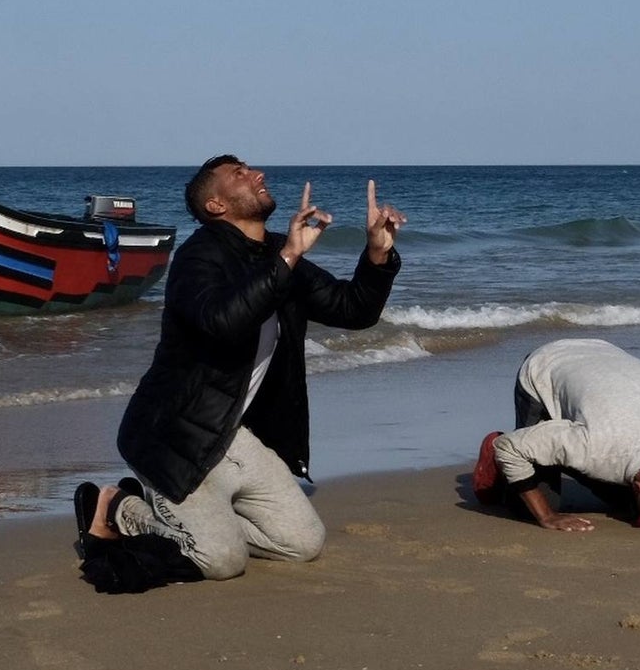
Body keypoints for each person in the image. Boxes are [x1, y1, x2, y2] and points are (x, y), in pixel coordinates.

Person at [74, 154, 406, 591]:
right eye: (240, 174)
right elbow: (223, 322)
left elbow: (353, 309)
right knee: (222, 560)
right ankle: (121, 507)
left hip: (232, 437)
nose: (257, 174)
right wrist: (288, 256)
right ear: (216, 205)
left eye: (251, 169)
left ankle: (206, 521)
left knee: (303, 543)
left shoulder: (277, 254)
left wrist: (378, 254)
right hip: (174, 439)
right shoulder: (198, 258)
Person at [473, 338, 640, 532]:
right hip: (547, 364)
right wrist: (547, 516)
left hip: (606, 357)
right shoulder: (597, 445)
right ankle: (493, 454)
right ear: (639, 486)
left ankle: (557, 448)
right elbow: (511, 448)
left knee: (624, 504)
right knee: (529, 507)